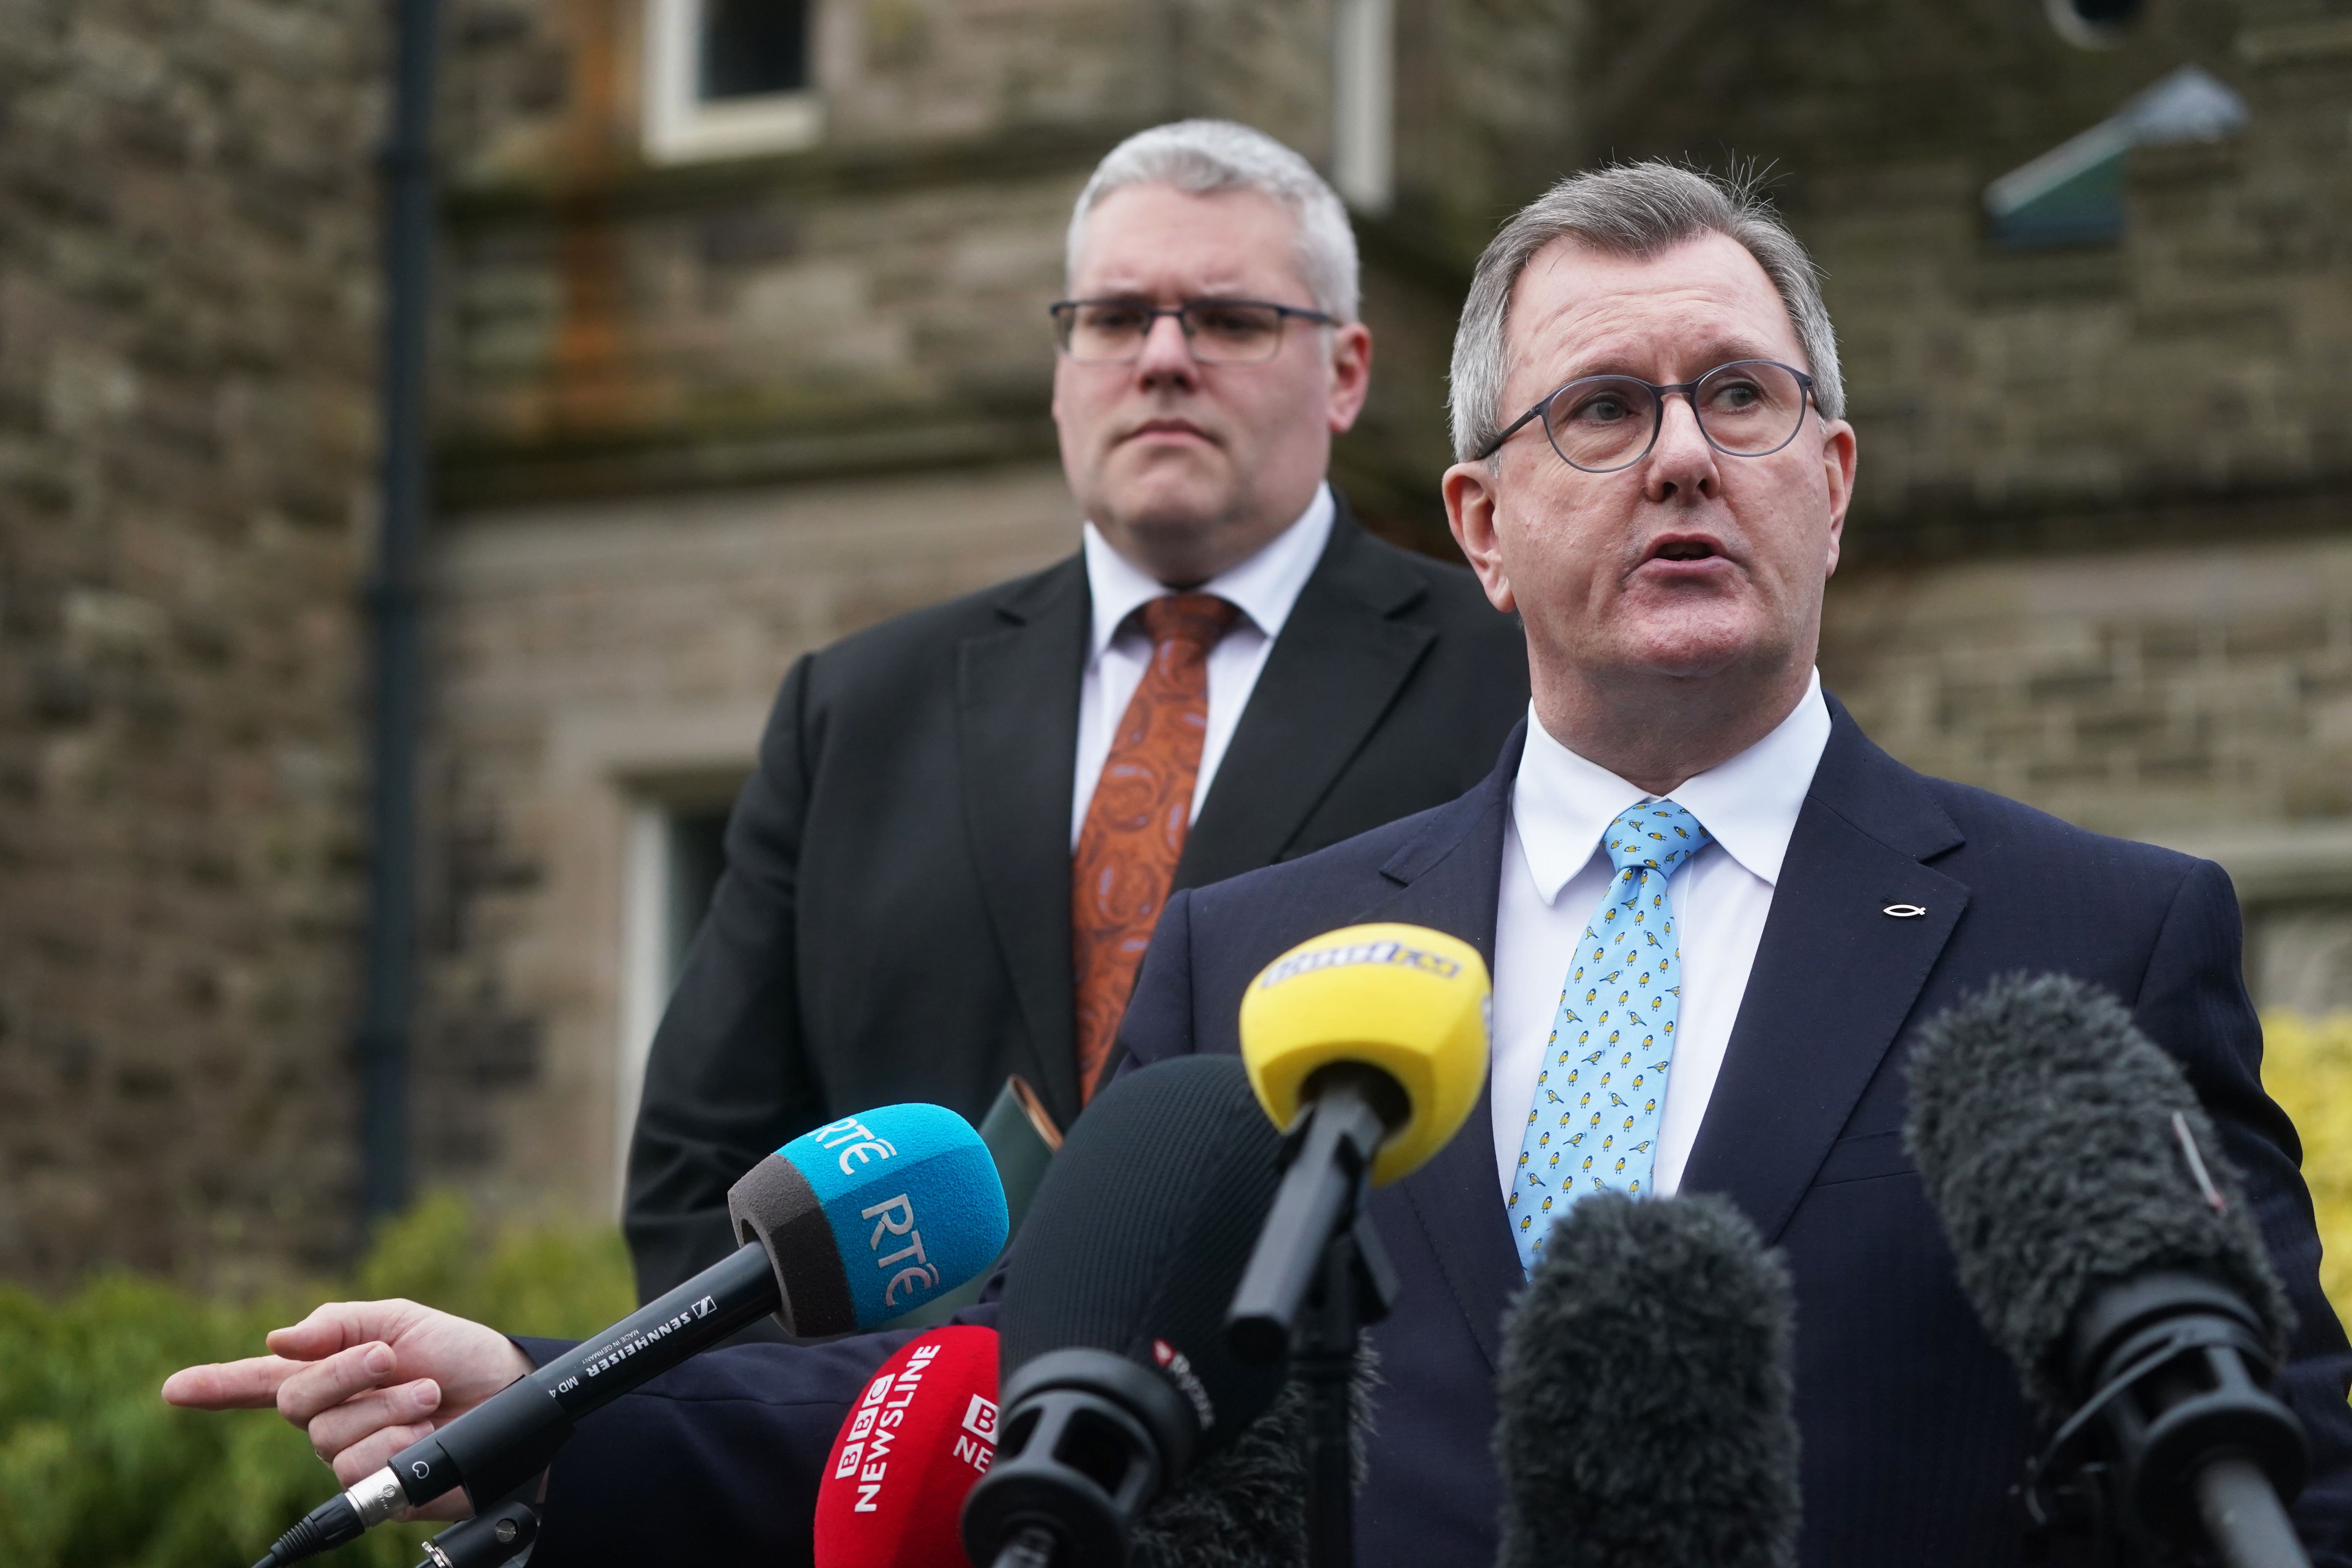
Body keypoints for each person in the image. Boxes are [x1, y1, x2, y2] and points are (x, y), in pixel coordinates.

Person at [163, 163, 2352, 1567]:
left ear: (1836, 481)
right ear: (1481, 527)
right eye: (1602, 410)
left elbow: (2280, 1455)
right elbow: (1028, 1384)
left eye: (1745, 399)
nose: (1684, 451)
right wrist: (550, 1408)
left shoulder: (2095, 935)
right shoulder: (1278, 951)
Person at [621, 119, 1528, 1301]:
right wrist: (842, 1433)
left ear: (1346, 373)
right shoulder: (854, 714)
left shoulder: (1513, 683)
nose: (1162, 359)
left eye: (1229, 319)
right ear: (1064, 371)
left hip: (1333, 1458)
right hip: (893, 1452)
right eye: (1112, 320)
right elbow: (700, 1185)